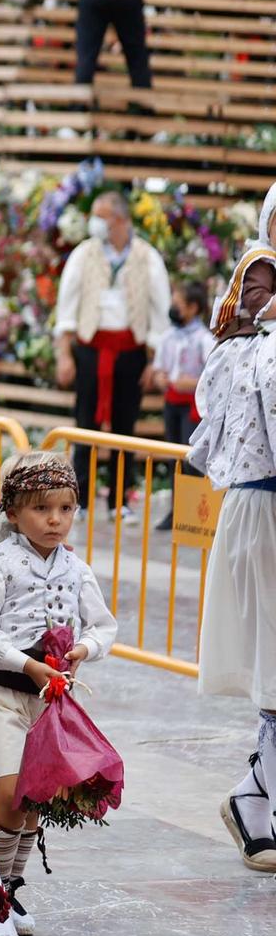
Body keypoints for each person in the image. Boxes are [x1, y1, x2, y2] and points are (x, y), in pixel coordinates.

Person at [0, 452, 118, 936]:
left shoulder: (77, 569)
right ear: (12, 512)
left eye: (66, 509)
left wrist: (83, 650)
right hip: (7, 697)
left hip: (49, 705)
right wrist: (29, 663)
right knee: (10, 795)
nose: (55, 520)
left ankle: (7, 889)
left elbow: (103, 625)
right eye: (41, 509)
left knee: (34, 802)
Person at [193, 226, 276, 871]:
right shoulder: (249, 350)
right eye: (254, 285)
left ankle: (256, 794)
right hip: (265, 507)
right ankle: (261, 800)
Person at [53, 190, 170, 505]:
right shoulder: (83, 254)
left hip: (131, 351)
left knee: (124, 426)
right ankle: (79, 498)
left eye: (100, 216)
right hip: (91, 349)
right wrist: (64, 354)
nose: (94, 223)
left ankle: (119, 499)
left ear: (120, 219)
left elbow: (161, 313)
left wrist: (154, 360)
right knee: (85, 424)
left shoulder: (147, 257)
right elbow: (67, 306)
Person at [150, 279, 213, 447]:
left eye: (178, 304)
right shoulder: (167, 336)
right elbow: (158, 369)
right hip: (171, 402)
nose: (173, 308)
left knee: (189, 452)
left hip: (192, 405)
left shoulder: (204, 340)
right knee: (172, 451)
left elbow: (214, 376)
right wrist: (159, 379)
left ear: (193, 308)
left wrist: (193, 383)